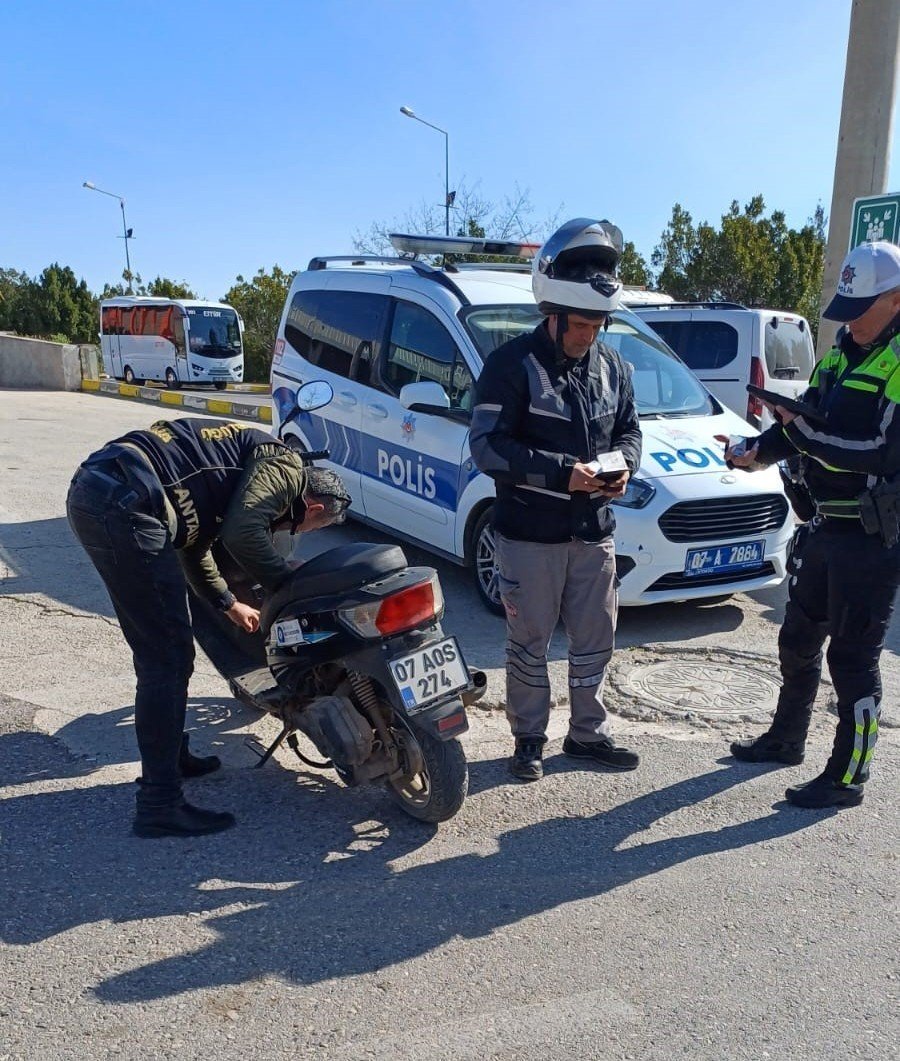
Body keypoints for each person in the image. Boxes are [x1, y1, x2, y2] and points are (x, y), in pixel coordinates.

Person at [66, 418, 351, 837]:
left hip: (111, 490)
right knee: (166, 658)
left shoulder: (231, 479)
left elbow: (194, 546)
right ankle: (159, 804)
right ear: (315, 510)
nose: (303, 533)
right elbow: (242, 533)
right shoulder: (286, 467)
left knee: (167, 654)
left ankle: (170, 754)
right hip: (126, 500)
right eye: (315, 528)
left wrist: (228, 603)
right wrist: (290, 589)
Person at [727, 240, 900, 808]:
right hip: (823, 527)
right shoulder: (840, 354)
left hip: (872, 541)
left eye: (861, 309)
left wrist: (798, 435)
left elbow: (878, 451)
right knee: (798, 639)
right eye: (844, 309)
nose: (848, 322)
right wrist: (757, 448)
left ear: (896, 299)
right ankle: (786, 740)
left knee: (851, 660)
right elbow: (808, 422)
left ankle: (849, 776)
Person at [470, 218, 643, 781]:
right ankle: (528, 739)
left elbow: (631, 433)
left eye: (599, 323)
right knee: (529, 644)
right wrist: (561, 475)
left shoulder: (615, 367)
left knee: (595, 642)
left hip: (594, 533)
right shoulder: (510, 365)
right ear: (553, 314)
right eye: (581, 324)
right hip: (528, 536)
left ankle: (587, 735)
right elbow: (487, 448)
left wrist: (623, 467)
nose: (590, 334)